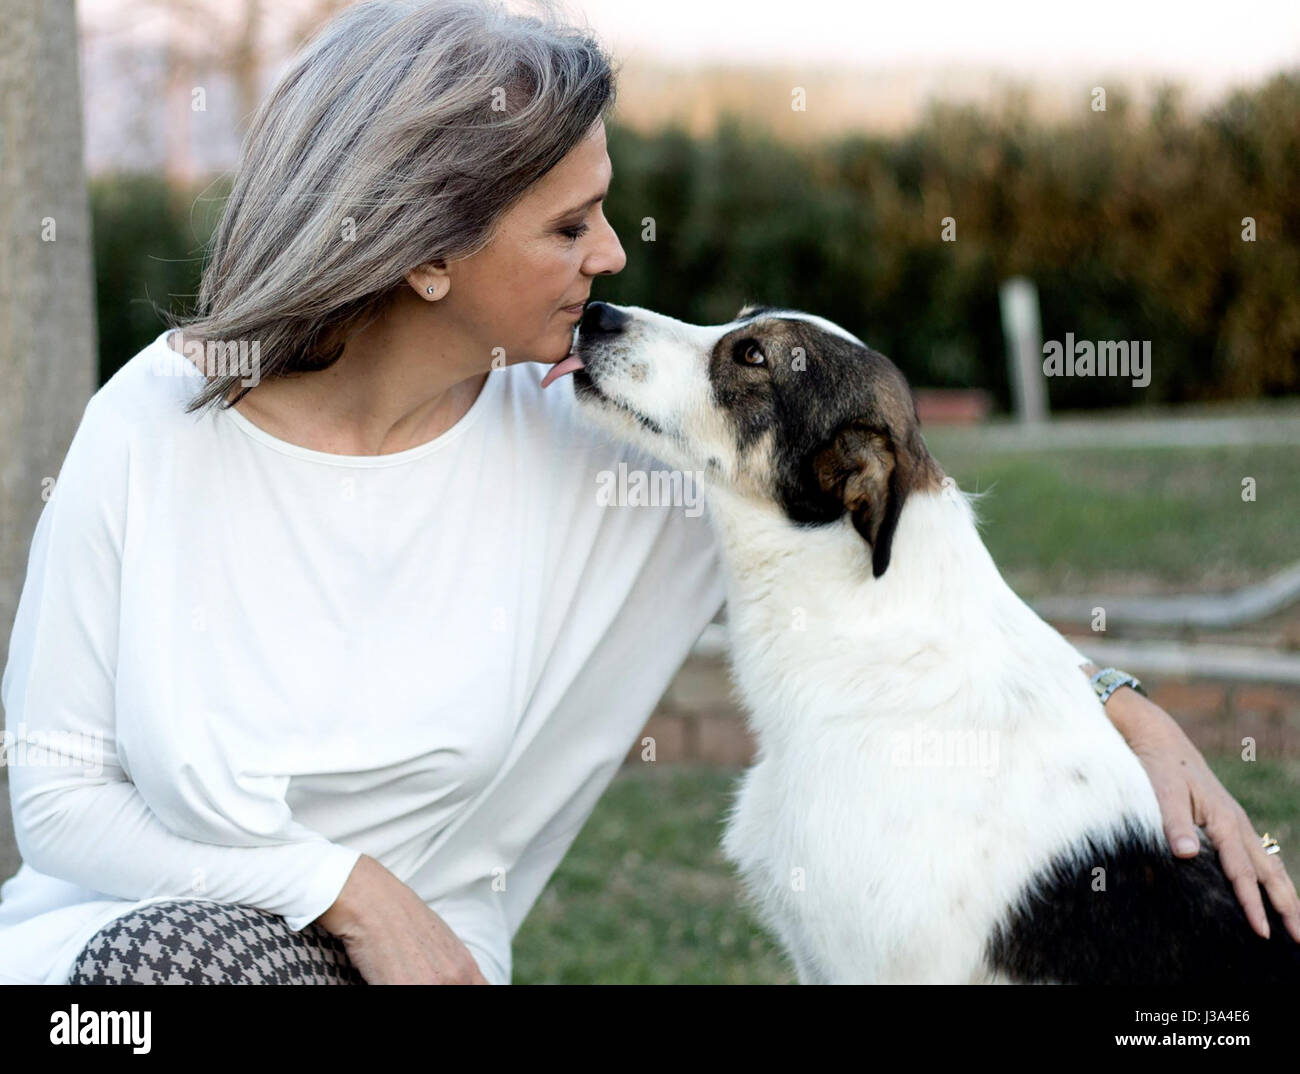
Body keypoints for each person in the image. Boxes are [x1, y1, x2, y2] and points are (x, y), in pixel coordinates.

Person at [1, 0, 1294, 985]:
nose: (612, 258)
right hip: (117, 953)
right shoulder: (153, 423)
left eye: (604, 212)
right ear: (428, 252)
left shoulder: (611, 456)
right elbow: (55, 798)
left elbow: (899, 578)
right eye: (569, 228)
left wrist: (1126, 711)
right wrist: (336, 882)